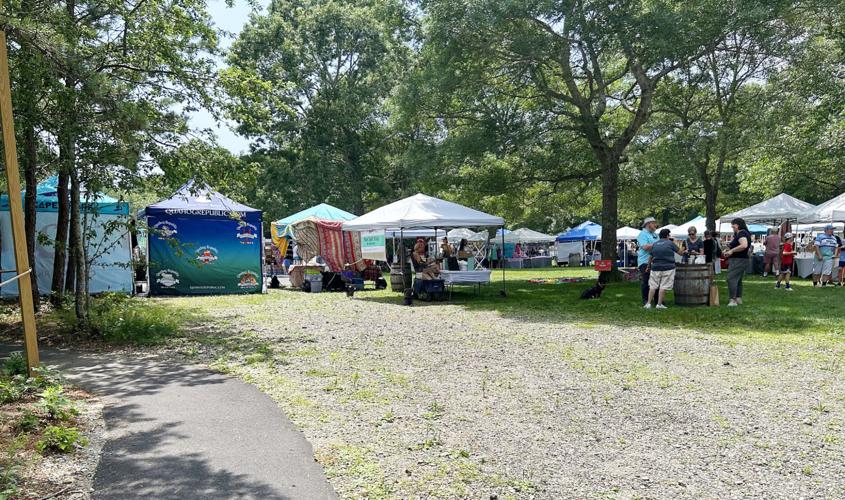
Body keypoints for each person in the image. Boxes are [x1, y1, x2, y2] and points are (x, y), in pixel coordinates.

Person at [644, 229, 684, 309]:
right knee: (663, 286)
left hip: (655, 268)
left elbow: (650, 257)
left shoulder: (655, 244)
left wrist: (648, 267)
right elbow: (680, 253)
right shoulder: (670, 243)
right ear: (667, 236)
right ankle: (659, 304)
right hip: (668, 268)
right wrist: (681, 246)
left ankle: (648, 304)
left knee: (652, 286)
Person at [723, 218, 752, 307]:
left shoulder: (741, 233)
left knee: (731, 279)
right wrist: (729, 250)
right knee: (738, 280)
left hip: (738, 260)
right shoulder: (742, 233)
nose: (732, 226)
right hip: (742, 259)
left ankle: (733, 300)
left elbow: (744, 245)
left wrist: (731, 251)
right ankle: (738, 299)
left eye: (733, 224)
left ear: (738, 225)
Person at [637, 217, 659, 305]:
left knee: (657, 281)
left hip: (656, 261)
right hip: (645, 261)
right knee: (646, 281)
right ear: (648, 224)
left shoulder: (656, 235)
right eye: (653, 223)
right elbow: (645, 247)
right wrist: (659, 243)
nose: (655, 225)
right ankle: (645, 300)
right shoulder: (642, 234)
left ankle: (658, 300)